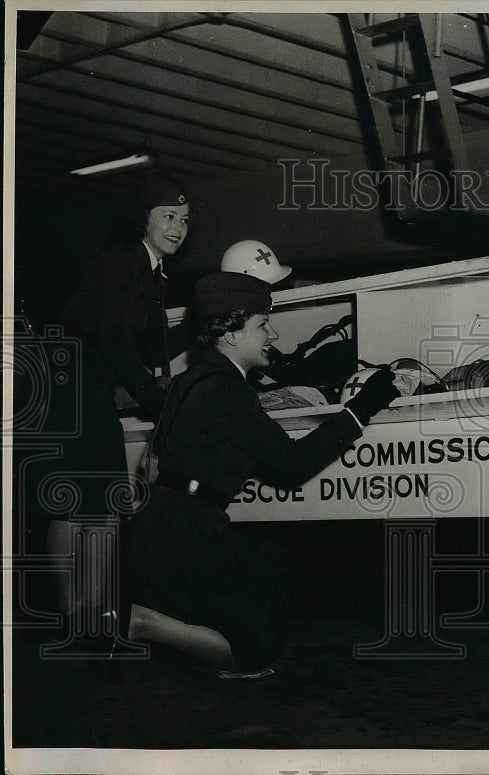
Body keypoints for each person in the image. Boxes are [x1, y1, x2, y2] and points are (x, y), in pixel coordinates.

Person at [122, 271, 398, 677]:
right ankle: (142, 621)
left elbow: (163, 454)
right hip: (189, 533)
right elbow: (294, 465)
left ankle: (164, 618)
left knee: (275, 566)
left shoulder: (191, 380)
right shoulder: (228, 391)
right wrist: (363, 408)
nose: (273, 333)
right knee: (253, 654)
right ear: (230, 333)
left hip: (163, 526)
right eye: (262, 324)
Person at [35, 172, 191, 646]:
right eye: (168, 216)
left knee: (101, 502)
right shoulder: (120, 263)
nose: (179, 227)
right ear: (141, 221)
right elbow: (115, 342)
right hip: (70, 387)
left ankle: (97, 614)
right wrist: (155, 396)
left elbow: (142, 346)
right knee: (80, 501)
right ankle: (76, 617)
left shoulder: (150, 273)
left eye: (184, 219)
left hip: (88, 388)